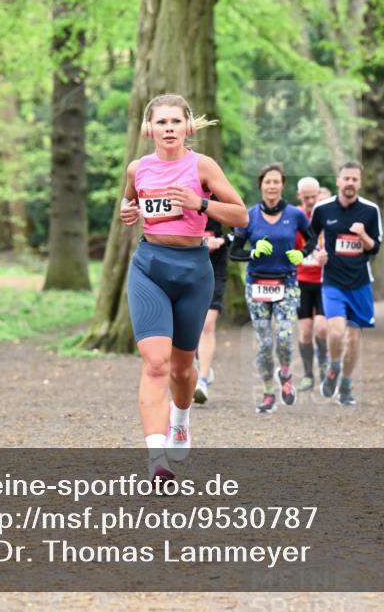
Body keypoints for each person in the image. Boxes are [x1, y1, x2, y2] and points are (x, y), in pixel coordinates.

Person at [120, 94, 247, 482]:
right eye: (161, 122)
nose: (169, 128)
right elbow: (130, 206)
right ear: (149, 129)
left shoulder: (203, 166)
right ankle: (156, 459)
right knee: (155, 363)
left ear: (188, 127)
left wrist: (199, 204)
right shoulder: (137, 168)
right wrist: (128, 212)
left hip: (194, 270)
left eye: (176, 121)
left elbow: (241, 214)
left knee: (181, 368)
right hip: (151, 268)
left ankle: (181, 416)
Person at [230, 163, 316, 413]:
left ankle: (286, 374)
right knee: (265, 342)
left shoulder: (295, 215)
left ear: (282, 185)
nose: (272, 186)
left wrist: (302, 254)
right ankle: (268, 392)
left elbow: (312, 238)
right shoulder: (249, 216)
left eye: (276, 181)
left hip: (287, 284)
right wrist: (253, 252)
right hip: (257, 283)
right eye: (267, 181)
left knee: (284, 337)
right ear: (261, 185)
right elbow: (235, 252)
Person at [308, 161, 383, 406]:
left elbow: (376, 248)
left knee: (354, 338)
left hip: (360, 282)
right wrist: (317, 254)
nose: (350, 183)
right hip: (333, 282)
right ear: (338, 181)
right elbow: (310, 240)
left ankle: (347, 384)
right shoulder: (322, 209)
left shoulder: (370, 211)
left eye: (354, 179)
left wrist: (362, 235)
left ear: (359, 183)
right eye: (346, 178)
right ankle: (334, 366)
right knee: (337, 332)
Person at [294, 176, 329, 391]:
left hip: (325, 280)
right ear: (299, 196)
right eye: (306, 197)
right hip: (301, 281)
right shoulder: (295, 217)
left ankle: (324, 363)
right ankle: (308, 374)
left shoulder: (327, 216)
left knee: (322, 328)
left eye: (313, 197)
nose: (309, 200)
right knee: (305, 332)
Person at [193, 197, 230, 405]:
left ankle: (202, 381)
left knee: (207, 324)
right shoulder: (179, 191)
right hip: (185, 267)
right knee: (187, 326)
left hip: (214, 269)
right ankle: (198, 361)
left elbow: (241, 227)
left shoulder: (220, 196)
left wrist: (223, 240)